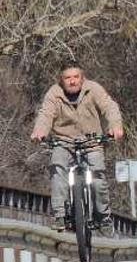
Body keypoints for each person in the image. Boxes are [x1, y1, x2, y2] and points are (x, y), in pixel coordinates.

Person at [30, 61, 124, 236]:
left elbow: (109, 107)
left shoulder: (93, 89)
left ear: (82, 77)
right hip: (63, 141)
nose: (72, 81)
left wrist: (115, 126)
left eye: (75, 77)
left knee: (97, 177)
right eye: (67, 78)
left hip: (92, 141)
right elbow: (45, 114)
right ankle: (59, 215)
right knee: (58, 168)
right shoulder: (54, 93)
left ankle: (103, 217)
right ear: (61, 80)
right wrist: (40, 131)